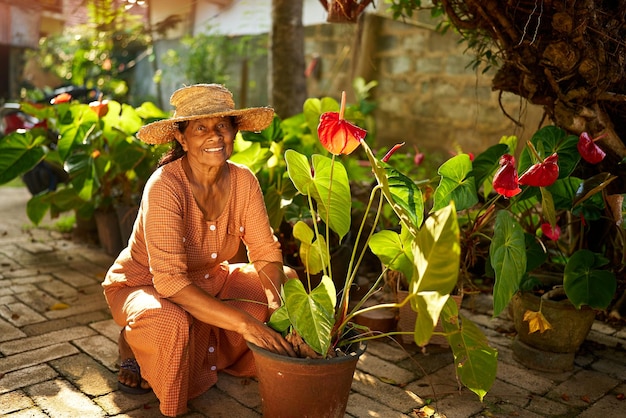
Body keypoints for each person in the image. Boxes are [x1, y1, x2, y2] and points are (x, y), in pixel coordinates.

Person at [102, 84, 297, 417]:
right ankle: (133, 342)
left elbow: (265, 252)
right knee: (172, 323)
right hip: (146, 286)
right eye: (201, 127)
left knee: (284, 282)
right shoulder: (165, 185)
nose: (215, 135)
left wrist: (281, 312)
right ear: (182, 138)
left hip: (211, 280)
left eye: (222, 125)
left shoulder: (243, 180)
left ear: (234, 131)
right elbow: (170, 283)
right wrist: (247, 325)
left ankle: (204, 353)